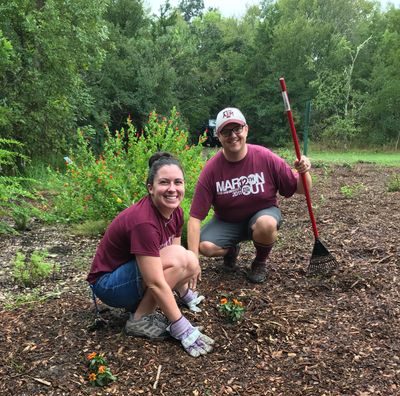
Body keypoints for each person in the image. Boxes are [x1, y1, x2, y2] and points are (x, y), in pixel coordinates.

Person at [87, 152, 214, 358]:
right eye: (164, 182)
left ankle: (143, 310)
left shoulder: (176, 212)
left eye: (178, 182)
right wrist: (182, 327)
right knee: (185, 257)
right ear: (150, 188)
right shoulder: (144, 221)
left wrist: (185, 294)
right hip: (109, 284)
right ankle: (139, 320)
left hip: (131, 275)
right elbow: (156, 280)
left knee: (188, 259)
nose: (172, 189)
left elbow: (175, 260)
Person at [187, 107, 312, 284]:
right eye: (226, 131)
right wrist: (193, 261)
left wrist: (304, 171)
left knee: (266, 224)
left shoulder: (265, 157)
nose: (233, 136)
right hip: (228, 221)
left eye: (237, 129)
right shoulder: (211, 170)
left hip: (262, 215)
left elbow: (302, 189)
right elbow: (194, 218)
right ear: (218, 135)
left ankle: (260, 262)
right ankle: (231, 249)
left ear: (246, 129)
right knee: (204, 246)